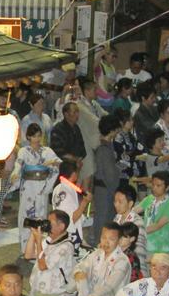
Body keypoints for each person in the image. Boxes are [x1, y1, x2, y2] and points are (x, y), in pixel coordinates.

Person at [12, 123, 60, 250]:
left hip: (42, 186)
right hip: (28, 187)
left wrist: (51, 163)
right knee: (26, 216)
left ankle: (39, 247)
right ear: (28, 137)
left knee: (41, 216)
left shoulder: (47, 151)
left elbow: (57, 163)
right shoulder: (23, 151)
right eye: (34, 136)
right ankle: (25, 248)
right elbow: (19, 163)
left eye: (39, 136)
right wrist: (16, 173)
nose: (37, 139)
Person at [92, 115, 121, 245]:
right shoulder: (104, 149)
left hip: (103, 188)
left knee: (104, 218)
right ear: (112, 130)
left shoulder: (105, 147)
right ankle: (99, 245)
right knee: (103, 219)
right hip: (105, 189)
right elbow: (110, 174)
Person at [138, 171, 169, 255]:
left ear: (167, 188)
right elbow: (134, 211)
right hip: (144, 246)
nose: (154, 188)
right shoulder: (149, 199)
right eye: (153, 185)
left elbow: (157, 226)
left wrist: (137, 231)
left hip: (161, 251)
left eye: (158, 186)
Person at [114, 186, 148, 277]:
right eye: (115, 201)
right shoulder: (117, 218)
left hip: (133, 269)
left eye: (120, 202)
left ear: (130, 204)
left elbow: (139, 252)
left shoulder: (137, 223)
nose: (116, 204)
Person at [51, 102, 87, 169]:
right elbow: (58, 152)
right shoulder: (58, 129)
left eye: (78, 112)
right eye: (75, 112)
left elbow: (82, 147)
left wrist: (79, 159)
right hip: (63, 166)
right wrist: (75, 159)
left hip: (77, 164)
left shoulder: (76, 127)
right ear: (66, 114)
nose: (77, 115)